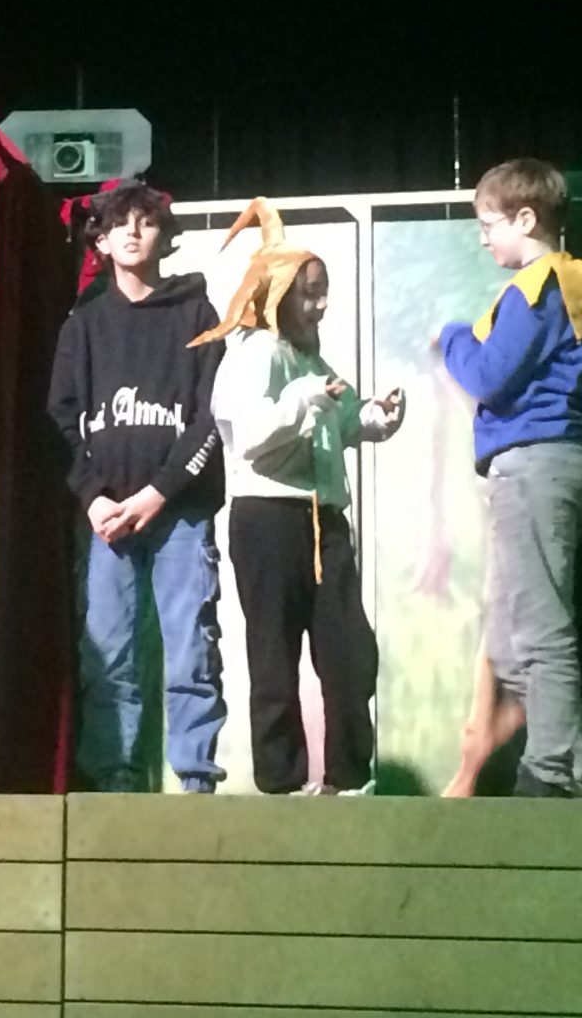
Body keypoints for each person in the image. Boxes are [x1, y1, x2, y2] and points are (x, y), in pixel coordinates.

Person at [202, 198, 403, 796]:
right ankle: (281, 779)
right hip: (267, 517)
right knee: (274, 654)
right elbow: (249, 437)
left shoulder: (310, 357)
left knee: (350, 652)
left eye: (323, 292)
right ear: (278, 294)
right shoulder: (254, 355)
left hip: (324, 518)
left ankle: (349, 775)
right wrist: (303, 401)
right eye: (310, 293)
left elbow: (340, 421)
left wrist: (374, 417)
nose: (321, 304)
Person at [436, 157, 582, 799]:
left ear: (525, 218)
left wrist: (454, 338)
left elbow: (489, 376)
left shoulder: (540, 288)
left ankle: (550, 770)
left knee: (539, 627)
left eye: (489, 225)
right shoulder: (570, 286)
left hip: (537, 461)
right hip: (542, 462)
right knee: (511, 646)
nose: (483, 238)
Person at [49, 179, 227, 793]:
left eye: (145, 222)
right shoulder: (83, 324)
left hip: (181, 513)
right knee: (109, 654)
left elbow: (211, 418)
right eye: (118, 223)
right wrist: (94, 496)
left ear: (165, 236)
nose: (131, 231)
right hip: (108, 520)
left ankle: (197, 779)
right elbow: (61, 420)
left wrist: (160, 493)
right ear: (98, 241)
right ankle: (115, 783)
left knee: (192, 649)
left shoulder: (198, 316)